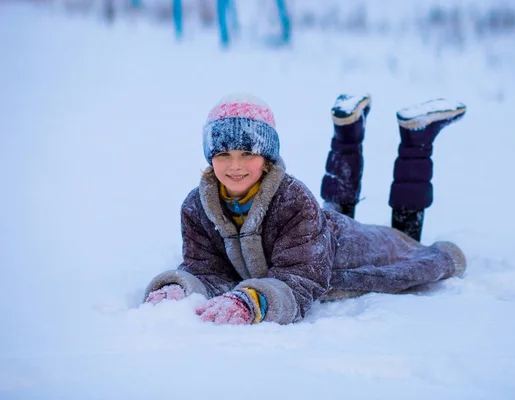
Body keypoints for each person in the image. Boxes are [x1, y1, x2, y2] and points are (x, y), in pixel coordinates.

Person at [143, 93, 467, 325]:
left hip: (349, 247)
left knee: (406, 239)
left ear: (267, 157)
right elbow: (207, 269)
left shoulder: (293, 199)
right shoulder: (197, 206)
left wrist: (256, 300)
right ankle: (348, 133)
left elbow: (302, 279)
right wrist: (181, 287)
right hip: (317, 231)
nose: (235, 166)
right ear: (209, 157)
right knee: (335, 204)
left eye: (248, 154)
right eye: (223, 155)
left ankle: (417, 140)